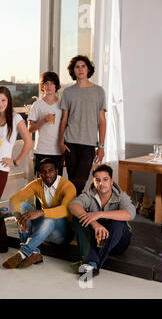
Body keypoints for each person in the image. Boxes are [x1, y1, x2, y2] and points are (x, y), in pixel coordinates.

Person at [0, 86, 33, 253]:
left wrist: (15, 161)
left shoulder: (15, 118)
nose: (0, 103)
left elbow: (29, 142)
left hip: (1, 169)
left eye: (3, 100)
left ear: (8, 101)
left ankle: (2, 242)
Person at [2, 158, 76, 269]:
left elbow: (65, 210)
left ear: (57, 171)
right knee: (22, 206)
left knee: (49, 218)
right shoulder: (37, 184)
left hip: (62, 234)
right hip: (43, 230)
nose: (47, 175)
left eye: (50, 171)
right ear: (39, 174)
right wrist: (18, 217)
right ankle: (34, 253)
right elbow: (14, 199)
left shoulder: (68, 186)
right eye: (43, 172)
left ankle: (24, 252)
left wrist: (40, 212)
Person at [69, 164, 135, 278]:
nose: (101, 184)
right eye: (97, 180)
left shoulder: (120, 195)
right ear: (93, 181)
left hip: (118, 241)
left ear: (111, 181)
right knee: (79, 217)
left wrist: (99, 214)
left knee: (118, 222)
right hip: (98, 238)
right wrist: (94, 223)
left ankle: (91, 261)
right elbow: (73, 206)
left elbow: (130, 214)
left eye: (105, 179)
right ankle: (92, 263)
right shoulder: (89, 194)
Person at [58, 55, 107, 195]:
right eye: (77, 67)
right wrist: (61, 141)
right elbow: (64, 120)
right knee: (73, 181)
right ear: (73, 71)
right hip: (70, 143)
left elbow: (102, 121)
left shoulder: (99, 91)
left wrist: (101, 146)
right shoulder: (68, 92)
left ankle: (70, 211)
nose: (80, 69)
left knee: (79, 183)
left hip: (89, 144)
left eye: (83, 66)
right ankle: (72, 214)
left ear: (89, 69)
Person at [28, 71, 63, 176]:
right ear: (42, 86)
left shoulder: (62, 105)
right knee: (40, 185)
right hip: (41, 151)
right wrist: (43, 121)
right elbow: (29, 129)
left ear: (56, 86)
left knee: (56, 186)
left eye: (51, 83)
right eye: (46, 83)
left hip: (58, 152)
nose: (48, 86)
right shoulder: (37, 105)